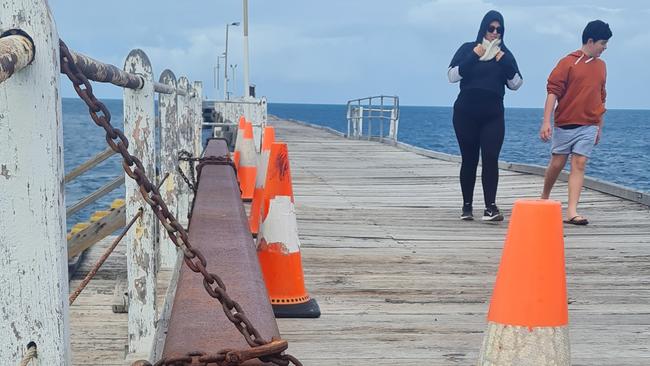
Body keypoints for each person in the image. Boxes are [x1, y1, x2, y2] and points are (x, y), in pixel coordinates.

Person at [448, 10, 523, 221]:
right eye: (491, 29)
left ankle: (491, 208)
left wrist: (504, 62)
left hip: (493, 116)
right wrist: (474, 55)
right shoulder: (468, 49)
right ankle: (467, 207)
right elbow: (452, 76)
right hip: (465, 114)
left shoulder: (505, 54)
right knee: (469, 159)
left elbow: (516, 83)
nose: (494, 33)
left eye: (499, 30)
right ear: (483, 29)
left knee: (490, 158)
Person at [539, 20, 612, 225]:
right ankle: (544, 196)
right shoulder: (568, 63)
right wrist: (546, 122)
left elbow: (601, 97)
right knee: (557, 163)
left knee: (579, 163)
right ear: (590, 41)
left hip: (589, 124)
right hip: (565, 124)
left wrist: (599, 127)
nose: (605, 48)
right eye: (602, 43)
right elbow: (552, 92)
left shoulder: (602, 66)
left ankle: (572, 211)